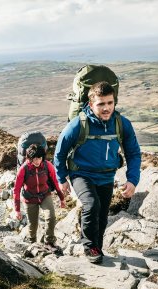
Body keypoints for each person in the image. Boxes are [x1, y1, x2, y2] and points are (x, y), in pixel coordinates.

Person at [54, 81, 141, 263]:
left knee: (102, 215)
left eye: (110, 103)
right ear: (91, 103)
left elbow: (133, 153)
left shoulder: (121, 124)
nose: (106, 108)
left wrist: (132, 180)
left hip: (107, 176)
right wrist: (62, 178)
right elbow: (60, 153)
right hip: (81, 174)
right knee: (91, 205)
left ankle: (97, 248)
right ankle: (89, 246)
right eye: (101, 104)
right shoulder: (77, 125)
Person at [14, 144, 66, 246]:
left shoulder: (47, 165)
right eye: (35, 158)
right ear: (29, 158)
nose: (37, 161)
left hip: (45, 195)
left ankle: (49, 241)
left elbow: (55, 182)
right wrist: (17, 210)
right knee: (33, 224)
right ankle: (32, 242)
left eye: (40, 158)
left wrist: (62, 198)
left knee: (51, 217)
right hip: (30, 198)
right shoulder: (24, 169)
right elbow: (16, 189)